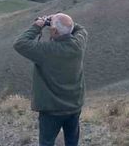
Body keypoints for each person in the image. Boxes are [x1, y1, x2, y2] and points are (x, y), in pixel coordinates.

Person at [14, 12, 88, 146]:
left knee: (47, 142)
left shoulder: (46, 50)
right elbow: (80, 29)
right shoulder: (78, 45)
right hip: (74, 107)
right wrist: (62, 22)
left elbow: (20, 43)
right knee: (72, 142)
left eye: (51, 27)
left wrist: (38, 26)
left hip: (52, 111)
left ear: (53, 30)